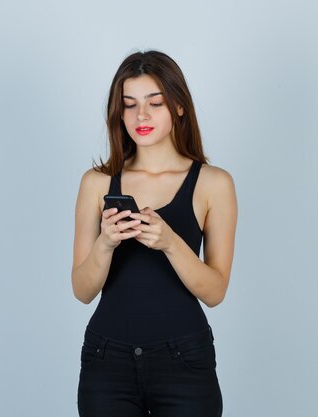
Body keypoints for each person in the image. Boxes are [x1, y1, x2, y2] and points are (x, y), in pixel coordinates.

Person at [71, 50, 238, 417]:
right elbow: (82, 290)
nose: (140, 116)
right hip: (106, 361)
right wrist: (106, 243)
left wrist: (170, 242)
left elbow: (215, 292)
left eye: (154, 103)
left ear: (178, 106)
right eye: (129, 104)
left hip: (184, 361)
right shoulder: (96, 183)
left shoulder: (213, 183)